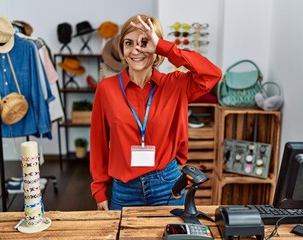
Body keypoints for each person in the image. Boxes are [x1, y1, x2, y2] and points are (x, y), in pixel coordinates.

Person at [89, 14, 222, 211]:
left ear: (156, 48)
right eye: (129, 43)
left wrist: (165, 47)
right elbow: (99, 142)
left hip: (167, 185)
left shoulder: (176, 84)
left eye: (144, 42)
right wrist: (99, 190)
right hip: (125, 189)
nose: (136, 50)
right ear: (122, 50)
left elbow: (212, 75)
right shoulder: (106, 89)